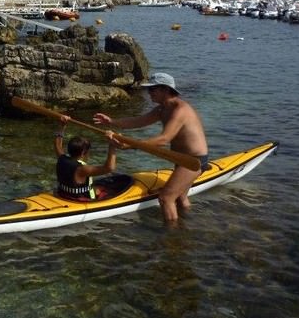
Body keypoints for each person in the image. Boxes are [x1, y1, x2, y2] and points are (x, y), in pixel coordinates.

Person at [92, 72, 209, 222]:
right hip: (181, 160)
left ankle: (171, 239)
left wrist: (130, 145)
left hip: (194, 161)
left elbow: (164, 139)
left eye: (152, 89)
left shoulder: (180, 110)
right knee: (180, 197)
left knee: (166, 198)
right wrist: (111, 121)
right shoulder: (162, 109)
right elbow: (137, 121)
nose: (149, 93)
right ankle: (187, 226)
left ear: (165, 90)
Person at [54, 116, 118, 201]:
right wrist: (112, 145)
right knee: (111, 191)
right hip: (79, 199)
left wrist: (62, 125)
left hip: (62, 193)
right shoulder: (82, 169)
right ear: (83, 153)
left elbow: (57, 144)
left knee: (98, 187)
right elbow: (109, 168)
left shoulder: (61, 158)